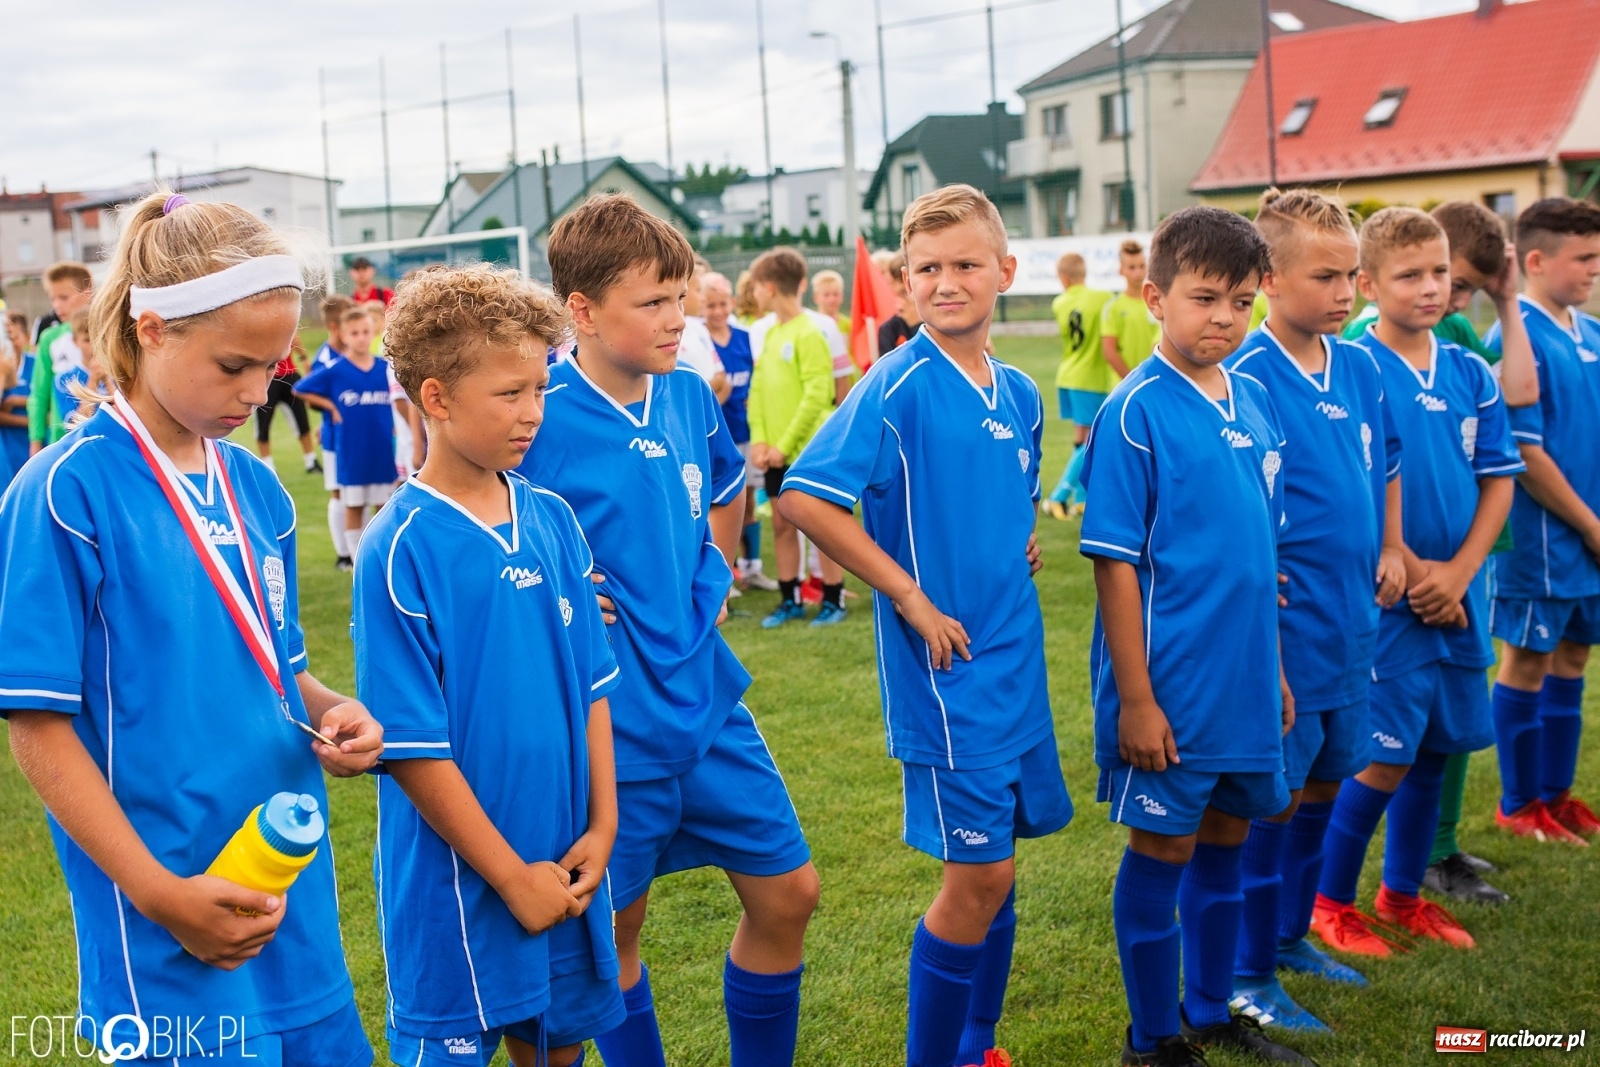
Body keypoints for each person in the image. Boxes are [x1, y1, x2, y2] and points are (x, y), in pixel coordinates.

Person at [0, 190, 382, 1067]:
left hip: (286, 883)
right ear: (153, 328)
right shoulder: (64, 493)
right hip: (164, 904)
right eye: (234, 366)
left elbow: (274, 663)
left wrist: (329, 707)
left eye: (276, 370)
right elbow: (38, 726)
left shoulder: (259, 491)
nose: (256, 394)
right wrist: (157, 892)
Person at [516, 194, 817, 1067]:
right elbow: (485, 523)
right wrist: (559, 591)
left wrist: (715, 566)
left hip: (708, 698)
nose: (676, 319)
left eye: (679, 298)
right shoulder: (540, 410)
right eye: (652, 302)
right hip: (611, 722)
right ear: (581, 311)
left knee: (790, 893)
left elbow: (727, 484)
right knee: (616, 929)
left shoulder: (688, 394)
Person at [779, 183, 1072, 1067]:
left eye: (966, 265)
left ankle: (979, 1046)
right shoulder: (896, 381)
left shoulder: (1018, 390)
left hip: (1014, 657)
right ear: (904, 285)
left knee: (1002, 868)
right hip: (947, 674)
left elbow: (1006, 493)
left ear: (1004, 272)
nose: (947, 282)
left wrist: (1015, 539)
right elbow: (805, 498)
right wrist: (907, 593)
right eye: (928, 269)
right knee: (975, 876)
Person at [356, 264, 624, 1067]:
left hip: (565, 854)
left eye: (540, 389)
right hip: (460, 882)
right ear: (435, 398)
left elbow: (594, 686)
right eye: (510, 393)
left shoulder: (552, 518)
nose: (533, 412)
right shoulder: (400, 546)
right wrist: (509, 876)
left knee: (556, 1048)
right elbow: (410, 744)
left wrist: (604, 826)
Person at [1080, 206, 1314, 1066]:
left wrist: (1278, 669)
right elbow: (1115, 566)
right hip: (1170, 684)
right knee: (1165, 843)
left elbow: (1263, 554)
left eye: (1241, 302)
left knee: (1228, 835)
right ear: (1154, 297)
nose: (1224, 317)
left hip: (1247, 676)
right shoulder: (1135, 409)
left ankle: (1210, 1006)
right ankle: (1154, 1039)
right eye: (1205, 297)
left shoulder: (1252, 400)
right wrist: (1136, 698)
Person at [1310, 208, 1522, 957]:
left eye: (1440, 272)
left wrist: (1462, 571)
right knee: (1385, 754)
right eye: (1410, 275)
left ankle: (1401, 895)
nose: (1431, 287)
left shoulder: (1468, 370)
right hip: (1390, 598)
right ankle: (1329, 903)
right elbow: (1358, 479)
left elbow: (1498, 479)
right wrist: (1402, 556)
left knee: (1437, 746)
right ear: (1368, 285)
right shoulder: (1354, 366)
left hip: (1461, 594)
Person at [1224, 189, 1405, 1030]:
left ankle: (1292, 936)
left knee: (1330, 785)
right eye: (1326, 276)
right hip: (1287, 636)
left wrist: (1395, 546)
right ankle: (1248, 972)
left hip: (1353, 623)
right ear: (1268, 279)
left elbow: (1388, 461)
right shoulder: (1245, 377)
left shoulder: (1361, 364)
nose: (1347, 293)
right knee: (1277, 800)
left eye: (1353, 276)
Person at [1486, 197, 1600, 849]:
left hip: (1586, 532)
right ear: (1536, 260)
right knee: (1527, 660)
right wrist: (1589, 524)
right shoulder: (1514, 333)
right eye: (1583, 258)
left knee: (1574, 655)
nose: (1593, 270)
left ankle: (1555, 795)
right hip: (1544, 540)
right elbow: (1525, 453)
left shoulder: (1590, 331)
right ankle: (1518, 801)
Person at [746, 247, 847, 627]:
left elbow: (817, 395)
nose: (754, 295)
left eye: (755, 287)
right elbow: (758, 392)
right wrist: (759, 441)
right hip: (772, 452)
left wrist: (783, 446)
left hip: (807, 451)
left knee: (822, 526)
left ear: (769, 288)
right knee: (782, 525)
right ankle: (790, 599)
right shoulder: (770, 333)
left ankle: (832, 600)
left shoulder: (811, 331)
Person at [295, 306, 398, 569]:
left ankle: (383, 559)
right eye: (355, 333)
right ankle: (356, 561)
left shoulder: (384, 368)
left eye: (366, 332)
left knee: (384, 506)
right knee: (354, 505)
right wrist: (330, 406)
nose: (362, 338)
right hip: (352, 452)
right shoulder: (336, 370)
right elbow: (300, 389)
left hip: (382, 450)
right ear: (343, 335)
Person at [703, 271, 776, 593]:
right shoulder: (699, 340)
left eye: (722, 304)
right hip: (717, 435)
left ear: (731, 303)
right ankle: (725, 571)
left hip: (745, 431)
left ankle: (752, 567)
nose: (717, 311)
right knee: (717, 504)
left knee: (747, 502)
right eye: (710, 305)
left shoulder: (745, 337)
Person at [1041, 252, 1113, 520]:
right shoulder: (1103, 298)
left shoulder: (1060, 302)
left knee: (1082, 438)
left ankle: (1082, 498)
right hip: (1091, 378)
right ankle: (1058, 496)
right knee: (1093, 441)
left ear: (1064, 278)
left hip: (1069, 375)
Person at [28, 261, 94, 454]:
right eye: (53, 299)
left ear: (87, 293)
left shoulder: (108, 330)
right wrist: (36, 440)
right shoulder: (50, 338)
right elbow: (39, 394)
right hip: (62, 440)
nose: (57, 305)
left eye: (64, 298)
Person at [254, 336, 320, 474]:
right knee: (263, 424)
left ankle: (311, 461)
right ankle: (268, 466)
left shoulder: (282, 320)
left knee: (302, 421)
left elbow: (294, 337)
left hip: (289, 377)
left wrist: (304, 358)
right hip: (268, 379)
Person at [1100, 240, 1159, 381]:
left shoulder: (1157, 302)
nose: (1138, 273)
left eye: (1142, 266)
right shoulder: (1113, 307)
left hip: (1154, 382)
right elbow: (1109, 351)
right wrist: (1132, 380)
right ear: (1121, 270)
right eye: (1131, 268)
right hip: (1124, 384)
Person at [678, 255, 731, 398]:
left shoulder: (699, 329)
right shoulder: (668, 335)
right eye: (698, 290)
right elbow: (681, 392)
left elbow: (723, 380)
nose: (703, 298)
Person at [0, 311, 32, 484]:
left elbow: (47, 403)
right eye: (7, 336)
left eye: (14, 336)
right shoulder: (3, 370)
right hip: (9, 447)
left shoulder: (34, 363)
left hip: (31, 445)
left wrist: (18, 401)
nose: (11, 342)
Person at [876, 251, 921, 356]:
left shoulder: (940, 323)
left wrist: (917, 324)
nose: (910, 298)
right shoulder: (889, 329)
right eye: (903, 294)